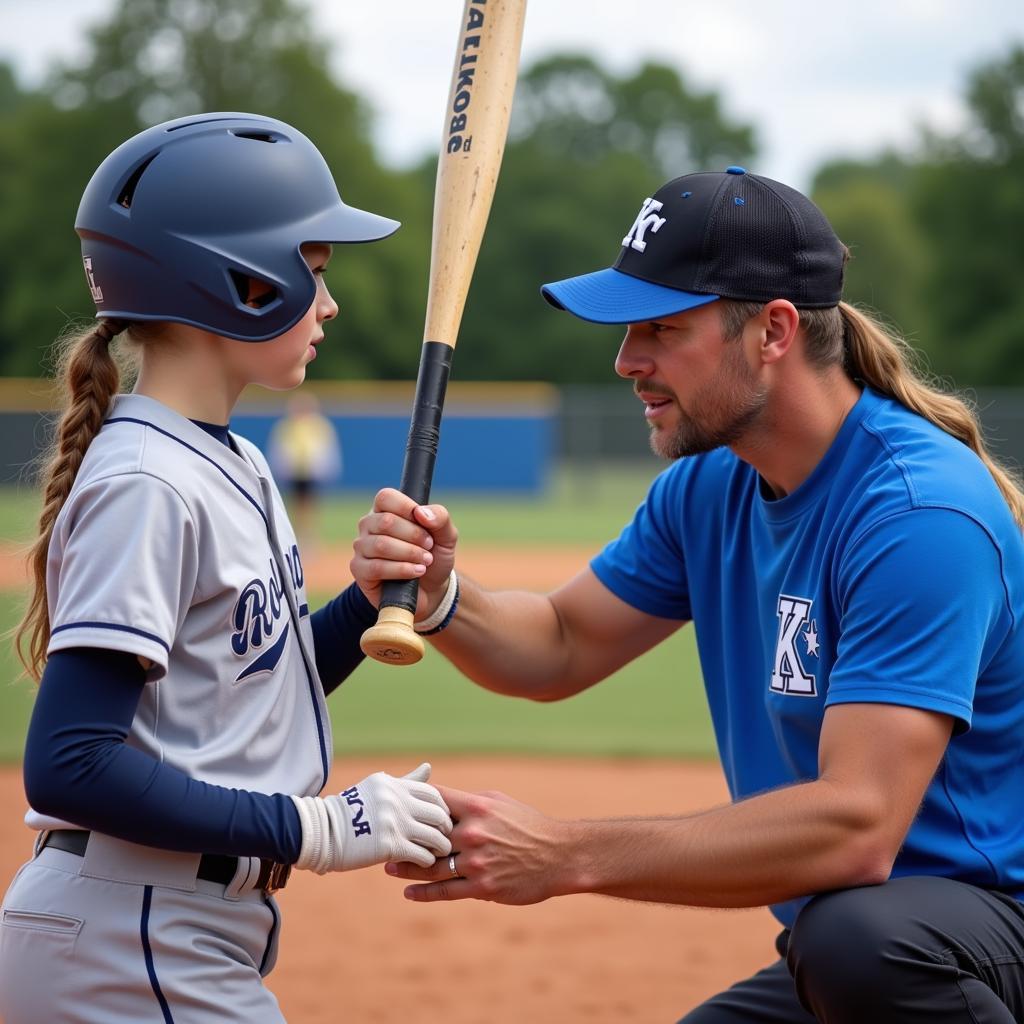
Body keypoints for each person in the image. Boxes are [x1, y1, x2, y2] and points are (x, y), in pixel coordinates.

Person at [352, 167, 1024, 1022]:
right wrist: (444, 594)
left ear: (773, 330)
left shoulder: (917, 513)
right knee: (847, 943)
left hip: (968, 932)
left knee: (857, 941)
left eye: (662, 328)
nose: (628, 360)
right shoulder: (712, 485)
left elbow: (857, 826)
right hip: (865, 948)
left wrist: (564, 854)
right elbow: (559, 642)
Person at [0, 112, 453, 1024]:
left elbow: (246, 686)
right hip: (130, 939)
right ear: (237, 283)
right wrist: (320, 827)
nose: (328, 305)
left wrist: (361, 604)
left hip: (158, 929)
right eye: (314, 272)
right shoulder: (147, 481)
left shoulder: (230, 460)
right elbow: (69, 764)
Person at [268, 391, 342, 550]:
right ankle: (297, 536)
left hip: (311, 471)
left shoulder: (319, 425)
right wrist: (281, 467)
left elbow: (328, 448)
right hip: (294, 471)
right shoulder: (287, 426)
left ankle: (310, 536)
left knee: (310, 504)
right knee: (296, 504)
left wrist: (327, 468)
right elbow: (279, 448)